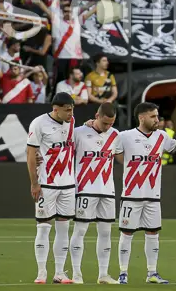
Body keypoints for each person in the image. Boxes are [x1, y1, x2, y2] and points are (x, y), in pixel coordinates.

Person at [115, 102, 176, 285]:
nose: (157, 120)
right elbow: (117, 154)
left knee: (153, 234)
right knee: (127, 234)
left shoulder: (162, 137)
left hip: (153, 196)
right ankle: (123, 273)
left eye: (157, 116)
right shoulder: (125, 136)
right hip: (131, 195)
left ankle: (152, 273)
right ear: (141, 117)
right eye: (153, 116)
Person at [26, 92, 77, 285]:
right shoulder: (38, 124)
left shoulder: (71, 122)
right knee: (43, 227)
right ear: (55, 109)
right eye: (67, 110)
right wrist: (34, 183)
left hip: (68, 184)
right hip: (46, 183)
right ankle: (41, 273)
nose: (70, 113)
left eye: (72, 109)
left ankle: (59, 273)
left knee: (63, 228)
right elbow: (31, 155)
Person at [69, 103, 119, 285]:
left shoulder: (116, 135)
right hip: (85, 189)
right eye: (105, 123)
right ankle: (76, 274)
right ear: (96, 116)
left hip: (107, 191)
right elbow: (65, 154)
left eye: (111, 123)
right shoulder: (79, 132)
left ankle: (103, 274)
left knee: (105, 232)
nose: (108, 127)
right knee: (80, 230)